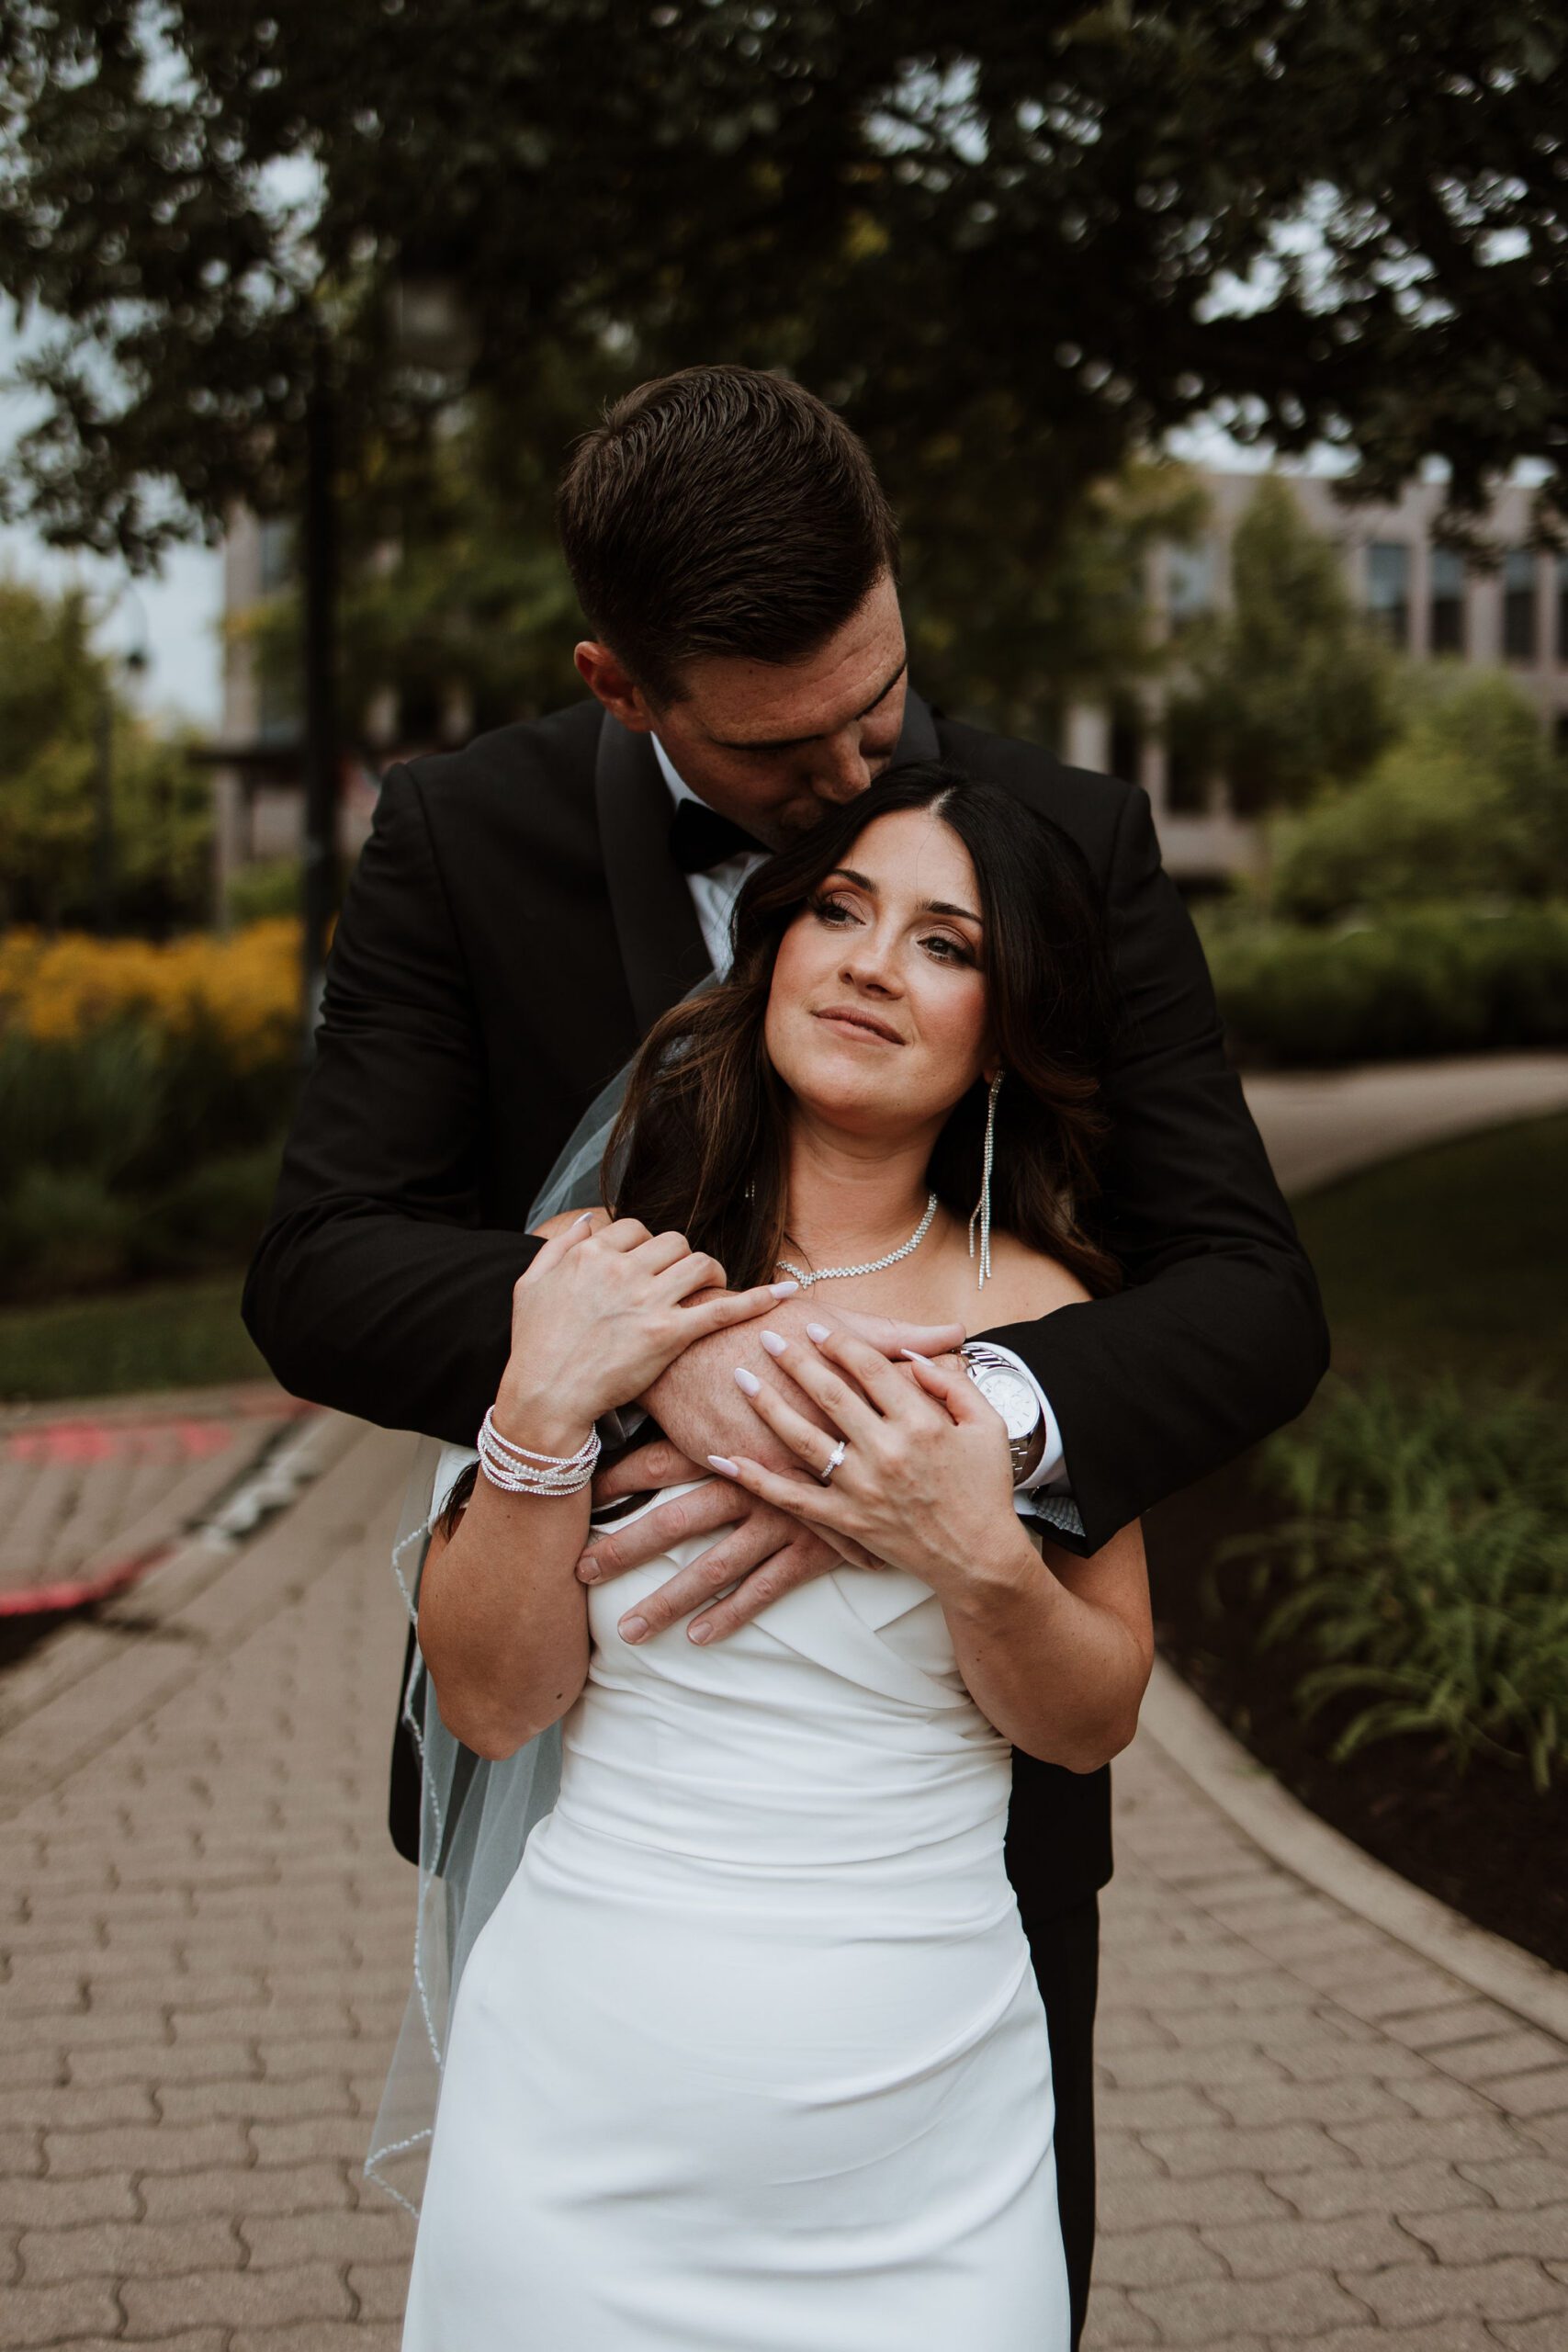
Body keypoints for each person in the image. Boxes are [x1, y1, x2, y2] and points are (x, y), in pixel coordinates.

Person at [242, 364, 1327, 2345]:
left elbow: (1246, 1289)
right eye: (782, 753)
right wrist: (664, 1371)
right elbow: (321, 1261)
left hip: (946, 1857)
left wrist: (940, 1430)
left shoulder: (1060, 840)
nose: (858, 763)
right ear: (619, 682)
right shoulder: (459, 840)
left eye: (878, 692)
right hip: (595, 1820)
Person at [400, 766, 1153, 2349]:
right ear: (775, 953)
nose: (874, 962)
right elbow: (484, 1701)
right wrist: (545, 1413)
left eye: (947, 943)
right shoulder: (597, 1272)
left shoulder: (1062, 1331)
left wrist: (971, 1556)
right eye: (840, 911)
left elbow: (1087, 1719)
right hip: (580, 2127)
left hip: (929, 2145)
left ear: (1007, 1029)